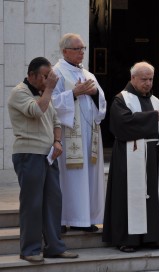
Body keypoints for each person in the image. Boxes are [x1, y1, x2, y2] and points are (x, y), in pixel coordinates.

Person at [8, 57, 78, 262]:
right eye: (45, 77)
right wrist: (49, 90)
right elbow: (37, 111)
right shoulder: (19, 92)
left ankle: (54, 247)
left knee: (53, 202)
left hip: (48, 155)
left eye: (50, 77)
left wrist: (57, 141)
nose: (49, 80)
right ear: (31, 75)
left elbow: (56, 120)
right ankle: (29, 250)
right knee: (32, 203)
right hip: (28, 154)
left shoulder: (42, 93)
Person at [102, 61, 159, 253]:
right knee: (129, 196)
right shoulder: (121, 99)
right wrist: (151, 118)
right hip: (129, 156)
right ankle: (127, 239)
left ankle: (152, 238)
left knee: (151, 196)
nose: (148, 83)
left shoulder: (156, 101)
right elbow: (121, 124)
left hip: (152, 156)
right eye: (144, 79)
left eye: (150, 79)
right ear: (133, 78)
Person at [52, 33, 107, 233]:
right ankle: (67, 218)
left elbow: (102, 102)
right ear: (65, 51)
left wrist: (95, 94)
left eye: (83, 48)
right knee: (71, 179)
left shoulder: (88, 74)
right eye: (77, 49)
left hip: (89, 134)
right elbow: (52, 103)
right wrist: (74, 93)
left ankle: (85, 219)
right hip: (69, 137)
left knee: (88, 178)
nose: (82, 52)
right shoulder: (57, 73)